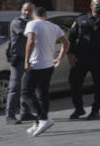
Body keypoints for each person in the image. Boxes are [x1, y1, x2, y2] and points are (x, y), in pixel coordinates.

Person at [67, 0, 100, 120]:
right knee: (74, 83)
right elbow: (72, 38)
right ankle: (78, 109)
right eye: (97, 5)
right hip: (81, 57)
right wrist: (71, 53)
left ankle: (95, 110)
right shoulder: (80, 19)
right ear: (91, 6)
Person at [23, 8, 70, 136]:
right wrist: (59, 58)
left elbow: (31, 41)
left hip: (36, 65)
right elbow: (66, 43)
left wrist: (26, 61)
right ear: (46, 16)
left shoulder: (32, 24)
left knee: (26, 93)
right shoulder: (54, 26)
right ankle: (39, 121)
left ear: (33, 16)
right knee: (42, 93)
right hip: (48, 65)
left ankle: (43, 119)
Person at [5, 1, 35, 124]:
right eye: (25, 10)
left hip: (29, 59)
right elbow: (28, 34)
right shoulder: (17, 22)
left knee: (26, 87)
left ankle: (25, 113)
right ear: (21, 10)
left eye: (30, 10)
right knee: (14, 87)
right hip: (18, 59)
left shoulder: (33, 23)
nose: (27, 12)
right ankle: (10, 116)